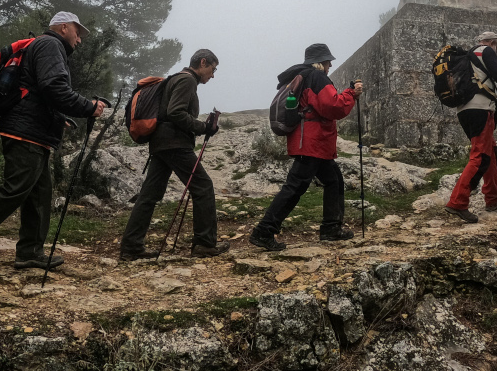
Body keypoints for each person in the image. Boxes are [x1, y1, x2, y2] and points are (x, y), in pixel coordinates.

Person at [0, 11, 105, 274]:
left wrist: (56, 117)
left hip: (31, 131)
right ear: (63, 28)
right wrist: (88, 107)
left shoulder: (43, 47)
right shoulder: (50, 45)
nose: (80, 40)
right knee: (15, 189)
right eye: (77, 32)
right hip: (25, 133)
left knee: (39, 194)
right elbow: (54, 88)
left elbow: (40, 92)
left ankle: (30, 253)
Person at [249, 43, 362, 251]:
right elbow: (333, 106)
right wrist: (351, 94)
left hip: (310, 141)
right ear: (321, 62)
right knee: (294, 187)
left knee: (333, 180)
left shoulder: (302, 76)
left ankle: (331, 228)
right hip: (312, 142)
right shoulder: (317, 77)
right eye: (328, 62)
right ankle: (264, 231)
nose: (329, 66)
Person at [119, 49, 227, 260]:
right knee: (203, 186)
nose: (212, 75)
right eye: (213, 69)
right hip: (175, 144)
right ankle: (204, 243)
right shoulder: (187, 81)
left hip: (160, 143)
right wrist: (203, 127)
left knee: (149, 195)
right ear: (203, 62)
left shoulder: (174, 79)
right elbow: (175, 112)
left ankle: (131, 247)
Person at [445, 32, 497, 224]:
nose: (496, 51)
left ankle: (493, 198)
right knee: (480, 156)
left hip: (464, 110)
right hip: (480, 108)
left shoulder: (467, 57)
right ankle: (457, 202)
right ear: (493, 42)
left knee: (490, 150)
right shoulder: (486, 52)